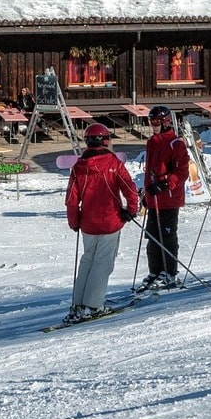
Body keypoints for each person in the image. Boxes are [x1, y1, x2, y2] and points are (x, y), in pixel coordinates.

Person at [64, 122, 139, 322]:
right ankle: (93, 305)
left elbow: (72, 199)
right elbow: (129, 188)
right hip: (109, 221)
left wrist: (74, 221)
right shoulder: (113, 163)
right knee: (102, 263)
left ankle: (78, 303)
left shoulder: (79, 166)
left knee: (87, 260)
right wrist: (131, 210)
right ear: (105, 140)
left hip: (88, 223)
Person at [139, 104, 190, 290]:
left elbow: (182, 171)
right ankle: (155, 271)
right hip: (154, 198)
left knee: (167, 236)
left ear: (166, 122)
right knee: (152, 237)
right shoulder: (152, 141)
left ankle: (169, 273)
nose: (152, 126)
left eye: (155, 122)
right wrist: (146, 192)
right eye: (150, 122)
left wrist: (165, 183)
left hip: (168, 198)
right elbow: (150, 172)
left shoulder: (175, 143)